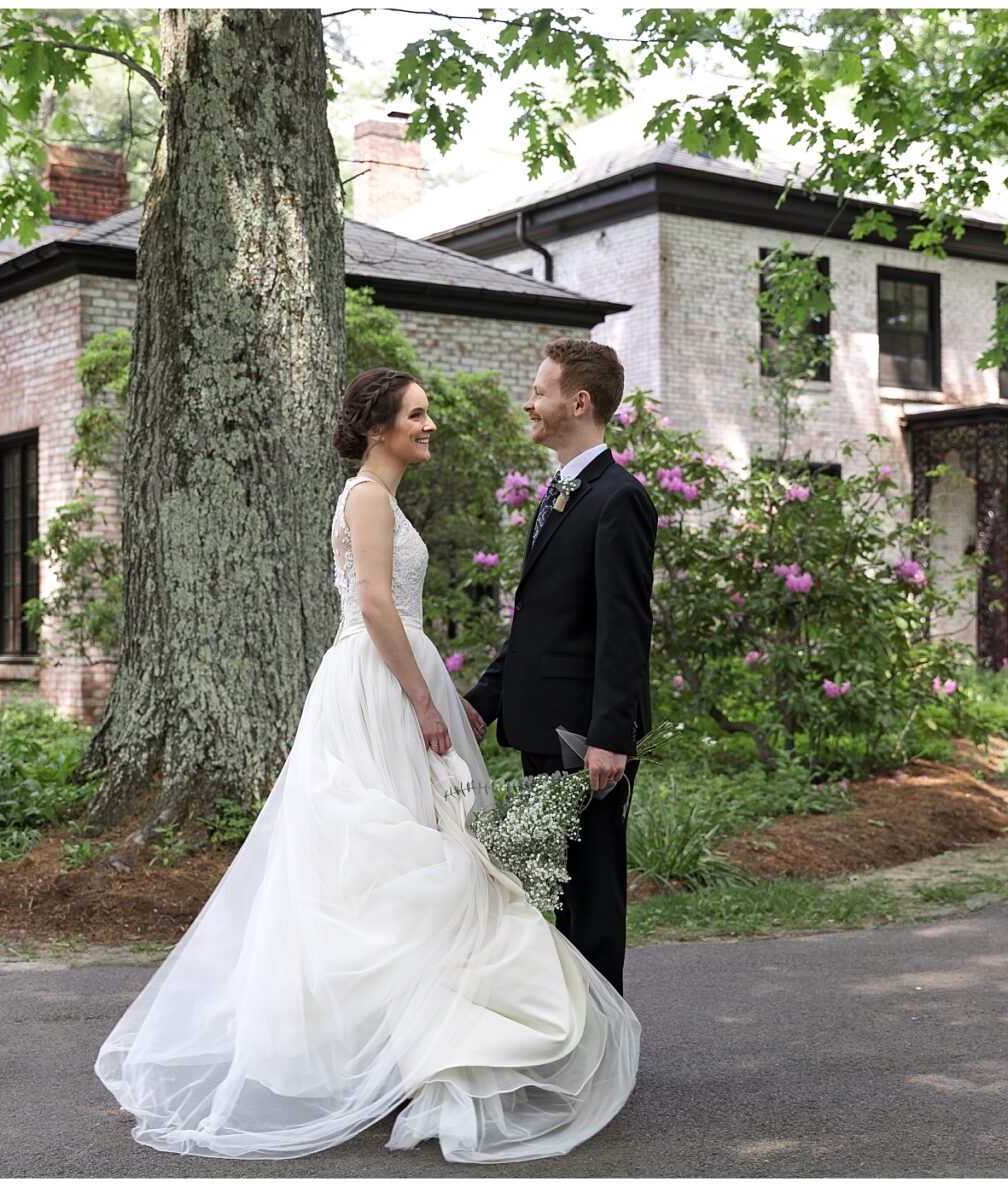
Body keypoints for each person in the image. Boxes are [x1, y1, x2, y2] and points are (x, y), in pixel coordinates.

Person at [94, 368, 637, 1162]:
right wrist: (425, 701)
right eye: (417, 414)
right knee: (399, 860)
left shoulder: (380, 498)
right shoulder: (366, 498)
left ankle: (417, 1044)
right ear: (379, 425)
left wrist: (458, 699)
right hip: (382, 687)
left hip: (389, 681)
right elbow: (377, 605)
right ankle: (409, 1048)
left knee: (413, 857)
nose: (431, 424)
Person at [462, 338, 656, 993]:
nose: (529, 402)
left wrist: (610, 734)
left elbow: (624, 628)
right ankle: (576, 1039)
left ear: (579, 401)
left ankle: (605, 1048)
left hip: (584, 737)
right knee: (561, 887)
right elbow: (544, 622)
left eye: (540, 391)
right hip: (545, 728)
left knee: (592, 895)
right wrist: (486, 698)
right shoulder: (561, 493)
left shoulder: (618, 498)